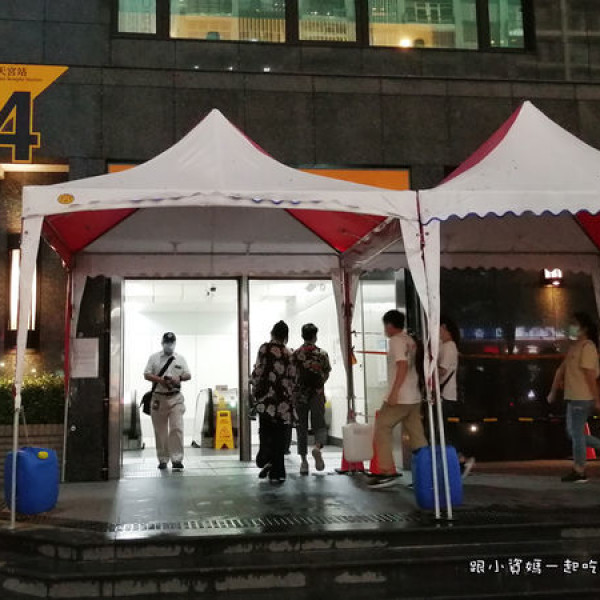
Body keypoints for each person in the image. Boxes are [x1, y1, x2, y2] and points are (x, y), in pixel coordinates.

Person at [369, 310, 428, 488]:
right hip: (414, 396)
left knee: (382, 427)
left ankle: (387, 472)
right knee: (418, 438)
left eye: (385, 326)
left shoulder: (395, 340)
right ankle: (425, 475)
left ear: (389, 325)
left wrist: (394, 392)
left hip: (400, 397)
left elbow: (402, 365)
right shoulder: (410, 340)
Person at [548, 312, 600, 483]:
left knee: (576, 434)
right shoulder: (574, 347)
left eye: (574, 323)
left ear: (584, 328)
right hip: (573, 397)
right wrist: (553, 391)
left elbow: (590, 375)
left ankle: (579, 471)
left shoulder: (588, 347)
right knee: (573, 433)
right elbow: (560, 370)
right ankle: (579, 470)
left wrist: (596, 399)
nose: (571, 327)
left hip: (582, 397)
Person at [250, 321, 295, 484]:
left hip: (267, 400)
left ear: (272, 333)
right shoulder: (289, 353)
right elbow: (292, 377)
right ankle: (278, 470)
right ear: (286, 336)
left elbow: (258, 371)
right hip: (283, 401)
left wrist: (254, 388)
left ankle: (265, 457)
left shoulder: (265, 348)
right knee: (279, 436)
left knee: (265, 431)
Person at [144, 332, 191, 471]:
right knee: (160, 431)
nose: (169, 345)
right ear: (162, 343)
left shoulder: (180, 358)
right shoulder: (154, 358)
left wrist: (179, 379)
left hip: (175, 398)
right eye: (167, 343)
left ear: (175, 343)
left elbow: (188, 374)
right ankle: (163, 459)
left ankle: (177, 459)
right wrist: (160, 380)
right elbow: (146, 374)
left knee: (177, 428)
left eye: (171, 343)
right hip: (158, 398)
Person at [438, 315, 475, 479]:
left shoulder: (449, 347)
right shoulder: (446, 346)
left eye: (438, 328)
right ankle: (459, 461)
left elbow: (443, 370)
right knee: (446, 431)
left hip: (445, 396)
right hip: (446, 395)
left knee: (445, 433)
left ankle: (461, 461)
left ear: (445, 328)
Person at [293, 323, 332, 475]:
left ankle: (304, 462)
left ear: (302, 336)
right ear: (315, 336)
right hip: (317, 394)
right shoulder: (322, 354)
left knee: (301, 427)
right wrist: (319, 386)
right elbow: (326, 373)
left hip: (300, 395)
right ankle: (317, 448)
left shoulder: (296, 354)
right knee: (319, 424)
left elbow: (291, 374)